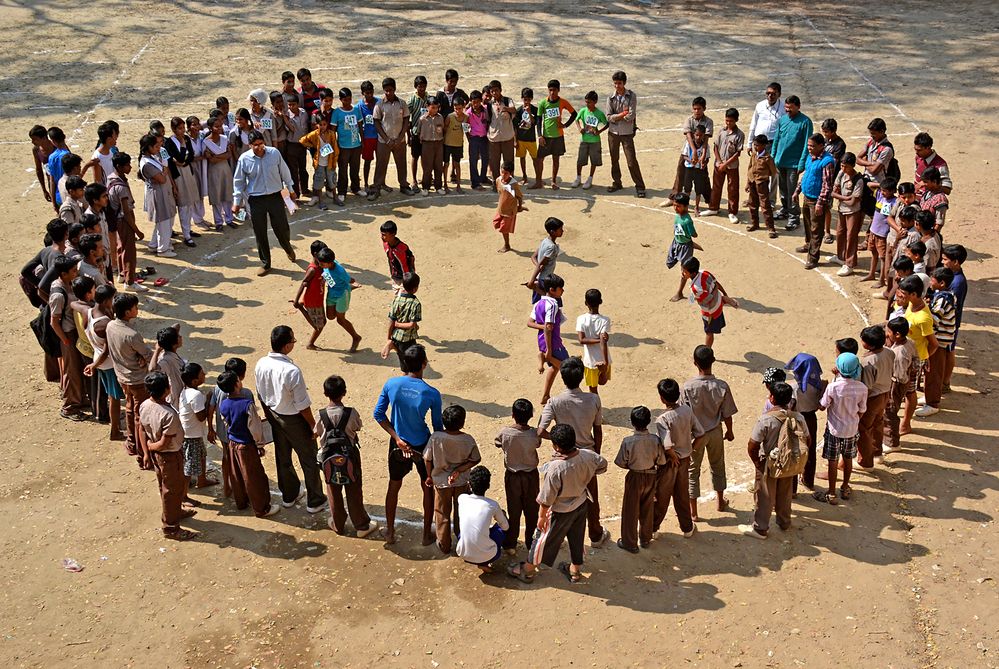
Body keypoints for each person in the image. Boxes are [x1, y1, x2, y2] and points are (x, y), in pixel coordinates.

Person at [507, 424, 607, 584]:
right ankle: (575, 570)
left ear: (556, 446)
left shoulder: (555, 469)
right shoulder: (588, 455)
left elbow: (547, 498)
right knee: (577, 537)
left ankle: (527, 570)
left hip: (559, 511)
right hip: (581, 504)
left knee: (541, 540)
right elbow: (602, 465)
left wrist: (541, 517)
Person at [373, 344, 443, 546]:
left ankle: (390, 532)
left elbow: (378, 414)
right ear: (424, 364)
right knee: (427, 487)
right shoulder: (431, 393)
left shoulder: (391, 384)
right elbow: (437, 427)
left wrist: (396, 437)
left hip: (398, 445)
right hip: (422, 445)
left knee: (394, 485)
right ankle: (426, 535)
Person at [254, 325, 326, 513]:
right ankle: (315, 500)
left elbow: (260, 393)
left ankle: (289, 495)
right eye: (293, 340)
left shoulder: (261, 363)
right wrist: (313, 425)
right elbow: (302, 404)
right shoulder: (292, 371)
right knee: (309, 458)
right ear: (286, 346)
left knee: (283, 456)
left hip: (273, 414)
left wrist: (268, 414)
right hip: (294, 419)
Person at [538, 357, 609, 548]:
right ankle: (595, 535)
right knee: (592, 498)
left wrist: (558, 438)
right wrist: (595, 454)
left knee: (559, 499)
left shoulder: (554, 402)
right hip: (587, 455)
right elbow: (598, 430)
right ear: (582, 377)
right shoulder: (593, 399)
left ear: (562, 378)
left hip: (562, 458)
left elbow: (540, 431)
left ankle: (557, 538)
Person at [739, 381, 808, 539]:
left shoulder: (766, 419)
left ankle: (760, 528)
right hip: (789, 461)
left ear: (772, 398)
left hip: (769, 463)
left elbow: (752, 445)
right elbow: (807, 440)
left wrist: (758, 463)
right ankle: (784, 522)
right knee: (785, 493)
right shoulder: (798, 417)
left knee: (764, 496)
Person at [315, 374, 378, 537]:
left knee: (333, 491)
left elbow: (317, 432)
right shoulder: (351, 413)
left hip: (329, 457)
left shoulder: (320, 415)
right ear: (344, 392)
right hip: (350, 456)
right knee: (354, 490)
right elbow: (357, 427)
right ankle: (361, 525)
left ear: (325, 393)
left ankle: (338, 524)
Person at [680, 345, 738, 521]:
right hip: (715, 431)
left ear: (695, 362)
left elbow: (684, 415)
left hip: (696, 435)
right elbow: (727, 414)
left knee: (692, 470)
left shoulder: (687, 387)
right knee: (718, 465)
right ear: (713, 361)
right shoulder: (721, 386)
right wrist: (729, 431)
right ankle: (720, 501)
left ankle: (693, 512)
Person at [138, 371, 197, 541]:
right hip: (169, 456)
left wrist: (147, 452)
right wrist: (151, 447)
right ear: (166, 389)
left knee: (165, 486)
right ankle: (171, 528)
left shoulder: (145, 405)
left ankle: (175, 512)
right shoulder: (168, 415)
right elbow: (163, 443)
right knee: (172, 490)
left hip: (157, 455)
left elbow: (141, 429)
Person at [216, 370, 280, 519]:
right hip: (246, 445)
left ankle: (242, 502)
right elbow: (255, 428)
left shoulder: (223, 404)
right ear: (237, 384)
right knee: (254, 477)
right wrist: (260, 445)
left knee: (237, 474)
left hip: (232, 443)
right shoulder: (247, 405)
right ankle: (262, 508)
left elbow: (226, 422)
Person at [232, 131, 297, 276]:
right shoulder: (244, 159)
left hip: (275, 197)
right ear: (250, 145)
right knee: (260, 232)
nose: (259, 147)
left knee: (282, 228)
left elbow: (285, 172)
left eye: (261, 144)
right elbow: (238, 182)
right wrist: (236, 202)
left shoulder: (274, 153)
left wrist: (291, 190)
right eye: (255, 145)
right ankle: (266, 263)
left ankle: (288, 248)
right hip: (256, 200)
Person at [423, 404, 481, 553]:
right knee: (461, 512)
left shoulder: (436, 437)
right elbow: (476, 459)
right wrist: (459, 470)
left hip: (441, 482)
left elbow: (427, 459)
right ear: (462, 422)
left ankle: (444, 544)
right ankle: (462, 539)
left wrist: (429, 476)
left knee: (442, 513)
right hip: (461, 481)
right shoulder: (468, 439)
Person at [105, 293, 153, 466]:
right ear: (127, 312)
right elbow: (148, 355)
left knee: (130, 409)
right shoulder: (132, 334)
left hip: (122, 376)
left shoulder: (110, 325)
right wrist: (146, 357)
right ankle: (142, 452)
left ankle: (132, 443)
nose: (137, 309)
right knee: (141, 416)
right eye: (135, 307)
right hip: (137, 379)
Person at [815, 352, 868, 504]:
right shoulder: (862, 388)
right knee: (848, 459)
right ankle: (845, 487)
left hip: (834, 431)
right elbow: (862, 410)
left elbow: (822, 406)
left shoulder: (832, 387)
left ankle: (831, 492)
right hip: (851, 430)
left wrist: (822, 390)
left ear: (838, 369)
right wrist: (854, 421)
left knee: (832, 461)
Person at [652, 378, 702, 538]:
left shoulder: (662, 419)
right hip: (685, 460)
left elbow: (667, 446)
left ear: (662, 398)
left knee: (662, 496)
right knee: (682, 495)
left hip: (669, 462)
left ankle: (653, 528)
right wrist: (690, 450)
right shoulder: (686, 410)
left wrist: (673, 456)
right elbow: (700, 434)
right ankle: (687, 528)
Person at [614, 406, 666, 553]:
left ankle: (629, 543)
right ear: (649, 421)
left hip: (635, 476)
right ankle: (645, 539)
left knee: (630, 510)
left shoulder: (628, 441)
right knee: (647, 508)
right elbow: (661, 461)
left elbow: (620, 462)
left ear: (632, 422)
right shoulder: (655, 440)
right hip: (651, 476)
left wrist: (632, 465)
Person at [494, 398, 541, 553]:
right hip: (531, 476)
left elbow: (498, 443)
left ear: (513, 414)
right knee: (532, 510)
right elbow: (538, 444)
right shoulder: (534, 434)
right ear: (531, 415)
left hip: (512, 476)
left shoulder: (505, 432)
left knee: (514, 510)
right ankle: (531, 543)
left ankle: (510, 544)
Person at [83, 284, 124, 441]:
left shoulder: (88, 312)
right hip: (108, 363)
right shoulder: (105, 323)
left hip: (98, 358)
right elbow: (107, 350)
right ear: (107, 300)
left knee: (111, 395)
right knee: (114, 398)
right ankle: (115, 430)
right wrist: (93, 366)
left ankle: (115, 427)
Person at [49, 255, 85, 420]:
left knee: (77, 368)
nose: (76, 273)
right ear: (63, 274)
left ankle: (79, 398)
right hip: (68, 334)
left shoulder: (67, 284)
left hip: (74, 332)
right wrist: (65, 340)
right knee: (71, 371)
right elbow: (54, 322)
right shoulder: (58, 294)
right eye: (73, 271)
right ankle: (70, 407)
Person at [918, 268, 958, 418]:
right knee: (929, 371)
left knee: (934, 372)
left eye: (933, 279)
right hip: (940, 339)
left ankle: (933, 403)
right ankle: (929, 396)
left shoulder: (943, 299)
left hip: (939, 341)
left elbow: (934, 320)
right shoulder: (944, 295)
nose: (930, 281)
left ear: (941, 283)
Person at [793, 133, 836, 268]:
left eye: (812, 146)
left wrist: (820, 203)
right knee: (807, 224)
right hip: (807, 197)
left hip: (817, 200)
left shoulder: (827, 162)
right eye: (808, 145)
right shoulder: (810, 157)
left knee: (816, 229)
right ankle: (808, 244)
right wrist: (797, 191)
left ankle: (813, 257)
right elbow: (805, 175)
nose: (809, 148)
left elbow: (827, 185)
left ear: (821, 146)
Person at [456, 466, 509, 573]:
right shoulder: (492, 505)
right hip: (488, 556)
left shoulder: (462, 498)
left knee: (465, 533)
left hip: (463, 553)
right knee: (502, 522)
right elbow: (505, 527)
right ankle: (484, 563)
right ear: (488, 486)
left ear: (469, 485)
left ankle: (474, 556)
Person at [770, 95, 813, 230]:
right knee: (783, 189)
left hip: (794, 164)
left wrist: (802, 163)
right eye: (786, 107)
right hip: (780, 161)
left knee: (792, 191)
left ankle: (794, 217)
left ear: (798, 107)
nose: (788, 110)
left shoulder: (805, 122)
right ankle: (785, 209)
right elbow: (777, 139)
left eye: (790, 108)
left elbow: (807, 144)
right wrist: (773, 156)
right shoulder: (782, 120)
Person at [784, 353, 824, 491]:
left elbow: (790, 407)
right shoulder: (818, 385)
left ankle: (792, 488)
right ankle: (808, 480)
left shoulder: (794, 388)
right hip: (811, 418)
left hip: (796, 420)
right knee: (810, 449)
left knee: (794, 451)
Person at [106, 152, 146, 291]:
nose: (130, 167)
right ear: (119, 166)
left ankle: (122, 274)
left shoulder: (111, 178)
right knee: (129, 251)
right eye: (127, 165)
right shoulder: (121, 187)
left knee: (121, 246)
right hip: (124, 220)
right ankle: (130, 282)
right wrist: (137, 231)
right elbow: (126, 212)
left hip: (117, 219)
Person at [857, 325, 895, 468]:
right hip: (885, 393)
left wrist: (860, 405)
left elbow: (866, 387)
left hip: (872, 398)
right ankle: (877, 453)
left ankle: (865, 462)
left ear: (869, 344)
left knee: (864, 428)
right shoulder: (889, 352)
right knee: (878, 423)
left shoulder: (868, 362)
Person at [370, 77, 414, 199]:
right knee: (381, 164)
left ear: (395, 89)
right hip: (384, 141)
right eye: (386, 90)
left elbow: (406, 120)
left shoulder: (402, 103)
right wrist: (387, 139)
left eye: (391, 90)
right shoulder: (379, 105)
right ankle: (377, 188)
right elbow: (377, 123)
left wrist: (401, 137)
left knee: (401, 163)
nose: (388, 93)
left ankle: (404, 185)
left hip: (400, 140)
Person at [682, 257, 739, 347]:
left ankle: (707, 350)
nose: (682, 273)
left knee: (709, 332)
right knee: (716, 299)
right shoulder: (705, 272)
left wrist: (694, 297)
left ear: (693, 273)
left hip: (711, 311)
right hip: (717, 299)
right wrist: (724, 293)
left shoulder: (696, 289)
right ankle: (723, 299)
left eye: (685, 272)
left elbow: (707, 300)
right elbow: (716, 283)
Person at [606, 71, 646, 198]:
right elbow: (608, 117)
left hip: (627, 133)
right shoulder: (610, 97)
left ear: (624, 83)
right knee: (614, 159)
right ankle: (617, 182)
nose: (617, 86)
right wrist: (623, 114)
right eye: (615, 83)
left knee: (631, 161)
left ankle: (640, 186)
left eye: (619, 83)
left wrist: (617, 117)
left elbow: (631, 115)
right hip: (613, 133)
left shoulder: (631, 96)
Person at [137, 133, 178, 258]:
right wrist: (164, 171)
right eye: (156, 146)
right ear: (148, 147)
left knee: (162, 221)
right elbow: (162, 179)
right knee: (164, 221)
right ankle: (163, 249)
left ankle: (154, 244)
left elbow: (163, 173)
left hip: (162, 192)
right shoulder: (147, 163)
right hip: (158, 194)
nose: (158, 148)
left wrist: (163, 172)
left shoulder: (152, 158)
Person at [530, 274, 567, 405]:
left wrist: (543, 327)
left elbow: (530, 323)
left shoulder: (538, 303)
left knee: (555, 368)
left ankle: (546, 395)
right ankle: (545, 358)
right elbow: (549, 328)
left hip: (542, 341)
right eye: (560, 288)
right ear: (552, 289)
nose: (563, 290)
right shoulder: (553, 304)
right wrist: (549, 351)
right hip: (553, 342)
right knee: (568, 368)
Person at [532, 79, 577, 190]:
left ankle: (553, 181)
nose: (552, 92)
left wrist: (565, 125)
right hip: (545, 137)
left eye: (554, 90)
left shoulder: (563, 102)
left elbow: (574, 114)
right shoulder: (543, 103)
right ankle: (538, 181)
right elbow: (538, 120)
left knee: (556, 159)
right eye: (550, 90)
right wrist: (540, 135)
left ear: (558, 90)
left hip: (558, 137)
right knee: (539, 159)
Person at [164, 117, 201, 247]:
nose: (183, 130)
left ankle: (188, 229)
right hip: (178, 176)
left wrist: (183, 161)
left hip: (187, 171)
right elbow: (177, 158)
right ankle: (186, 235)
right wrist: (182, 153)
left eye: (183, 127)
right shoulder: (169, 142)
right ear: (173, 129)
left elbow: (190, 156)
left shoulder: (186, 139)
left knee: (189, 203)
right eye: (180, 128)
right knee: (183, 205)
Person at [669, 96, 714, 200]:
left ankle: (709, 199)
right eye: (695, 109)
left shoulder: (708, 121)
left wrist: (703, 155)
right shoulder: (689, 120)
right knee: (681, 171)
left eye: (699, 109)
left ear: (704, 109)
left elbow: (706, 140)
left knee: (703, 174)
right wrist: (693, 151)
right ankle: (674, 196)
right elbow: (688, 136)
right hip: (688, 150)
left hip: (701, 150)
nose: (697, 111)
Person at [747, 82, 784, 203]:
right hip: (758, 143)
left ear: (779, 94)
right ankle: (754, 198)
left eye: (773, 94)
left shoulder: (783, 107)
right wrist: (749, 143)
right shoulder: (760, 105)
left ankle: (770, 201)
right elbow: (753, 124)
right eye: (768, 93)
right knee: (755, 169)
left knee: (773, 172)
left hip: (774, 143)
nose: (770, 96)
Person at [705, 108, 745, 221]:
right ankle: (713, 207)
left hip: (732, 166)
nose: (728, 123)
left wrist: (725, 164)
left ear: (736, 120)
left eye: (731, 121)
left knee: (733, 189)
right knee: (716, 186)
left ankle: (732, 212)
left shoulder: (739, 134)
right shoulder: (721, 131)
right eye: (727, 120)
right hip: (719, 165)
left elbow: (737, 153)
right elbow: (716, 147)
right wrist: (719, 162)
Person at [830, 152, 865, 277]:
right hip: (842, 210)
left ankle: (850, 263)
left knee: (851, 236)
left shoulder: (858, 180)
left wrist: (841, 197)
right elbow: (833, 193)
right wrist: (845, 197)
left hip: (853, 212)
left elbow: (853, 202)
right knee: (840, 233)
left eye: (846, 166)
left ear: (853, 166)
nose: (843, 168)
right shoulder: (841, 174)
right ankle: (841, 256)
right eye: (842, 165)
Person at [940, 244, 968, 391]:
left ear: (956, 262)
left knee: (949, 351)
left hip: (950, 323)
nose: (943, 262)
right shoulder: (952, 276)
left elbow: (951, 306)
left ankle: (945, 382)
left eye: (945, 259)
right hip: (948, 321)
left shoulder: (957, 283)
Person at [666, 193, 702, 301]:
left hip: (685, 247)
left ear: (686, 206)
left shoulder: (687, 221)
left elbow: (694, 234)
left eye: (678, 206)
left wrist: (690, 240)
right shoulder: (678, 215)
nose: (675, 208)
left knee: (685, 271)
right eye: (674, 205)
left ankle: (680, 292)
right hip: (676, 243)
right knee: (670, 262)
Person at [569, 90, 608, 190]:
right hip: (584, 140)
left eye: (589, 102)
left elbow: (607, 124)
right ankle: (578, 178)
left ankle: (590, 179)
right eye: (586, 102)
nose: (587, 104)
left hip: (595, 141)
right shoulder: (583, 111)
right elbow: (577, 119)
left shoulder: (599, 113)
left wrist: (599, 131)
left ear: (595, 102)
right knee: (580, 160)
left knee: (594, 161)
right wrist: (580, 128)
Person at [575, 288, 611, 394]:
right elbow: (603, 341)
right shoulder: (605, 320)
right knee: (602, 381)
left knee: (593, 389)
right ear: (601, 302)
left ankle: (596, 405)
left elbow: (581, 340)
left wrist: (598, 340)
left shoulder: (581, 319)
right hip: (603, 358)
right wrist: (605, 363)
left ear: (586, 303)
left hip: (590, 361)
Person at [299, 113, 338, 210]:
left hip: (329, 162)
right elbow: (302, 140)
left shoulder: (331, 134)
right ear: (317, 125)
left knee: (332, 180)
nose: (323, 126)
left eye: (324, 124)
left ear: (327, 124)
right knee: (319, 181)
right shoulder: (314, 134)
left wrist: (334, 161)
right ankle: (321, 201)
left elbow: (335, 148)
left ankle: (335, 198)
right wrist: (313, 146)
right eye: (320, 125)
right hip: (319, 163)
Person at [864, 177, 898, 285]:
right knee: (873, 253)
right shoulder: (879, 196)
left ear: (893, 191)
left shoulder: (895, 202)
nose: (883, 192)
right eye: (882, 190)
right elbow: (869, 184)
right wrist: (882, 184)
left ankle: (881, 280)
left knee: (883, 258)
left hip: (883, 234)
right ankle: (871, 274)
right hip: (873, 231)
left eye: (885, 191)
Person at [381, 271, 421, 360]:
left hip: (396, 336)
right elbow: (411, 325)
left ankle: (392, 344)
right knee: (408, 362)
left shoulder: (396, 300)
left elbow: (391, 320)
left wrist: (388, 338)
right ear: (415, 289)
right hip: (408, 339)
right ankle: (392, 345)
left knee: (401, 356)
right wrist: (398, 324)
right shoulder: (415, 303)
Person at [745, 134, 778, 236]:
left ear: (764, 145)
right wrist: (748, 183)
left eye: (757, 145)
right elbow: (750, 168)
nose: (755, 147)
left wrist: (764, 177)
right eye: (754, 145)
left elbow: (773, 172)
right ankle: (755, 223)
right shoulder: (754, 155)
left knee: (765, 205)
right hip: (752, 182)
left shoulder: (768, 158)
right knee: (752, 203)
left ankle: (771, 228)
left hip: (762, 183)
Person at [526, 216, 564, 304]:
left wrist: (539, 267)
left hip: (540, 278)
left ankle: (536, 288)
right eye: (560, 229)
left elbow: (533, 257)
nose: (562, 231)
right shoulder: (551, 247)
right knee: (554, 301)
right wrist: (532, 281)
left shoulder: (545, 241)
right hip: (545, 279)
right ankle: (536, 287)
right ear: (552, 232)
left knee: (542, 302)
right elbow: (540, 264)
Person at [486, 80, 517, 186]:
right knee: (494, 162)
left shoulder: (508, 101)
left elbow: (514, 110)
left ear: (500, 90)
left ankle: (509, 183)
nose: (494, 93)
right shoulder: (489, 104)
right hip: (494, 138)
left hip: (507, 137)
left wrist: (505, 108)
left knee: (509, 162)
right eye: (492, 91)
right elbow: (487, 119)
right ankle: (496, 183)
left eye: (496, 90)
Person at [149, 325, 184, 410]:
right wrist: (157, 350)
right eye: (178, 336)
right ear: (174, 344)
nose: (181, 337)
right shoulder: (166, 360)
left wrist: (165, 336)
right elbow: (152, 369)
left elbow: (177, 325)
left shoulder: (171, 354)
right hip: (176, 395)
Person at [493, 161, 525, 253]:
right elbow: (500, 193)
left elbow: (519, 197)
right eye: (502, 172)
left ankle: (507, 245)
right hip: (501, 208)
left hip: (509, 211)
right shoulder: (498, 180)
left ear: (510, 173)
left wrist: (519, 207)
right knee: (496, 223)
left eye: (506, 173)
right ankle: (506, 244)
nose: (503, 175)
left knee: (504, 229)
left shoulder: (513, 184)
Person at [416, 97, 445, 194]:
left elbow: (442, 129)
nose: (435, 110)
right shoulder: (422, 119)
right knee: (427, 167)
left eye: (436, 107)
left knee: (438, 166)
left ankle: (438, 186)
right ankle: (425, 187)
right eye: (432, 107)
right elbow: (419, 131)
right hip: (427, 144)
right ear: (427, 107)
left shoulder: (440, 117)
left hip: (438, 144)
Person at [380, 220, 416, 293]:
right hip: (395, 277)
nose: (382, 237)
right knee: (397, 296)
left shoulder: (401, 249)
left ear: (393, 234)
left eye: (384, 235)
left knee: (403, 297)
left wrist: (408, 280)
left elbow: (405, 264)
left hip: (405, 278)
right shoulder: (386, 243)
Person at [442, 94, 467, 193]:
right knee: (446, 164)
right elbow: (444, 129)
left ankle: (458, 185)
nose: (457, 111)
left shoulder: (466, 117)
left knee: (457, 164)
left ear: (463, 107)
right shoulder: (450, 117)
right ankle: (445, 184)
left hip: (458, 144)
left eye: (459, 108)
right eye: (456, 108)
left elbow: (466, 130)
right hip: (447, 144)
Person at [515, 88, 539, 185]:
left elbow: (535, 122)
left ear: (531, 99)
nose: (527, 102)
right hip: (521, 139)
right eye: (525, 99)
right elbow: (515, 126)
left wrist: (529, 113)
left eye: (529, 99)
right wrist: (515, 140)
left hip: (531, 139)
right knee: (522, 158)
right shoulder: (518, 111)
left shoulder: (535, 110)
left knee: (535, 159)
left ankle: (538, 177)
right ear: (522, 98)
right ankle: (524, 176)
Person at [29, 125, 56, 204]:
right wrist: (44, 190)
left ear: (44, 138)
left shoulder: (57, 146)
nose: (32, 142)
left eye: (35, 139)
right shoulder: (36, 150)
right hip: (51, 183)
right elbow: (39, 170)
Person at [46, 127, 70, 211]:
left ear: (53, 141)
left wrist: (53, 202)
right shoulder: (68, 156)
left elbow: (52, 181)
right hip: (70, 195)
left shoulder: (51, 157)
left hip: (58, 196)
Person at [919, 167, 949, 232]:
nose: (923, 184)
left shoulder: (940, 199)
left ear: (934, 182)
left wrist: (930, 236)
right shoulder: (927, 193)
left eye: (925, 182)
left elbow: (939, 224)